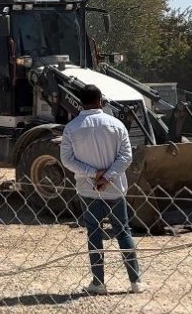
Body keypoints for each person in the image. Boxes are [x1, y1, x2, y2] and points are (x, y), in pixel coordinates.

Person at [59, 85, 144, 295]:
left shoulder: (71, 128)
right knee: (123, 232)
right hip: (114, 189)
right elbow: (126, 157)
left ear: (80, 102)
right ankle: (135, 282)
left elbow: (67, 160)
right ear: (100, 101)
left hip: (87, 190)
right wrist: (107, 176)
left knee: (94, 234)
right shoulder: (116, 125)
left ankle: (98, 283)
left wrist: (93, 173)